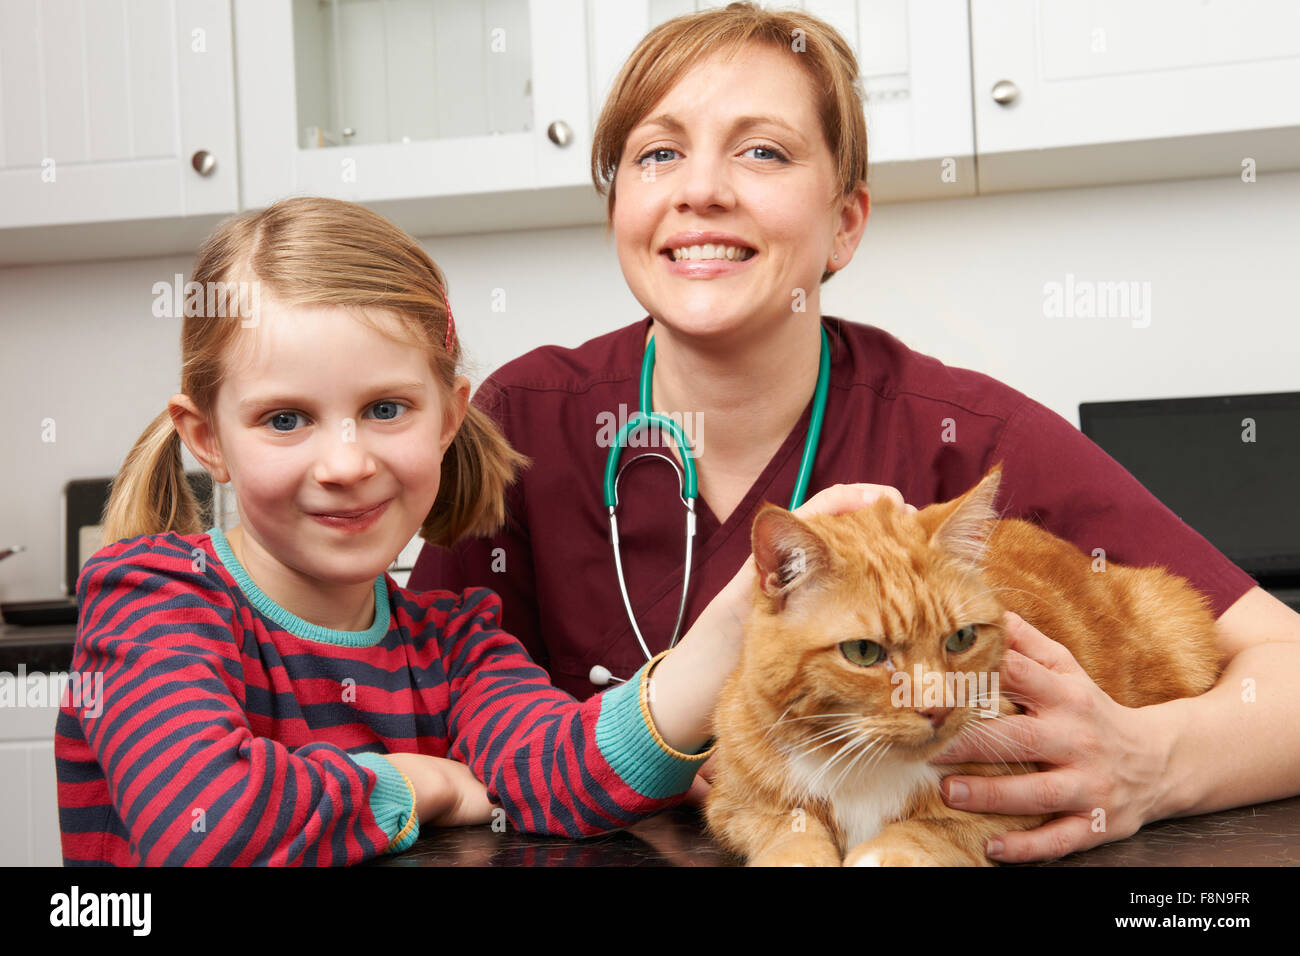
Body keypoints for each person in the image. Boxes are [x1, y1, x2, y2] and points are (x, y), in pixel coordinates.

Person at [410, 2, 1300, 863]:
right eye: (657, 154)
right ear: (618, 211)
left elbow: (1285, 664)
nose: (702, 190)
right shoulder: (522, 420)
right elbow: (426, 705)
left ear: (844, 223)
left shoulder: (961, 435)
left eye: (762, 151)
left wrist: (1156, 765)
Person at [52, 195, 885, 865]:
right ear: (207, 441)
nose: (345, 463)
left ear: (450, 418)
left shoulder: (451, 644)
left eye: (385, 409)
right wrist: (422, 787)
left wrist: (740, 617)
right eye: (285, 419)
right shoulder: (152, 597)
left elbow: (571, 778)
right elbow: (207, 823)